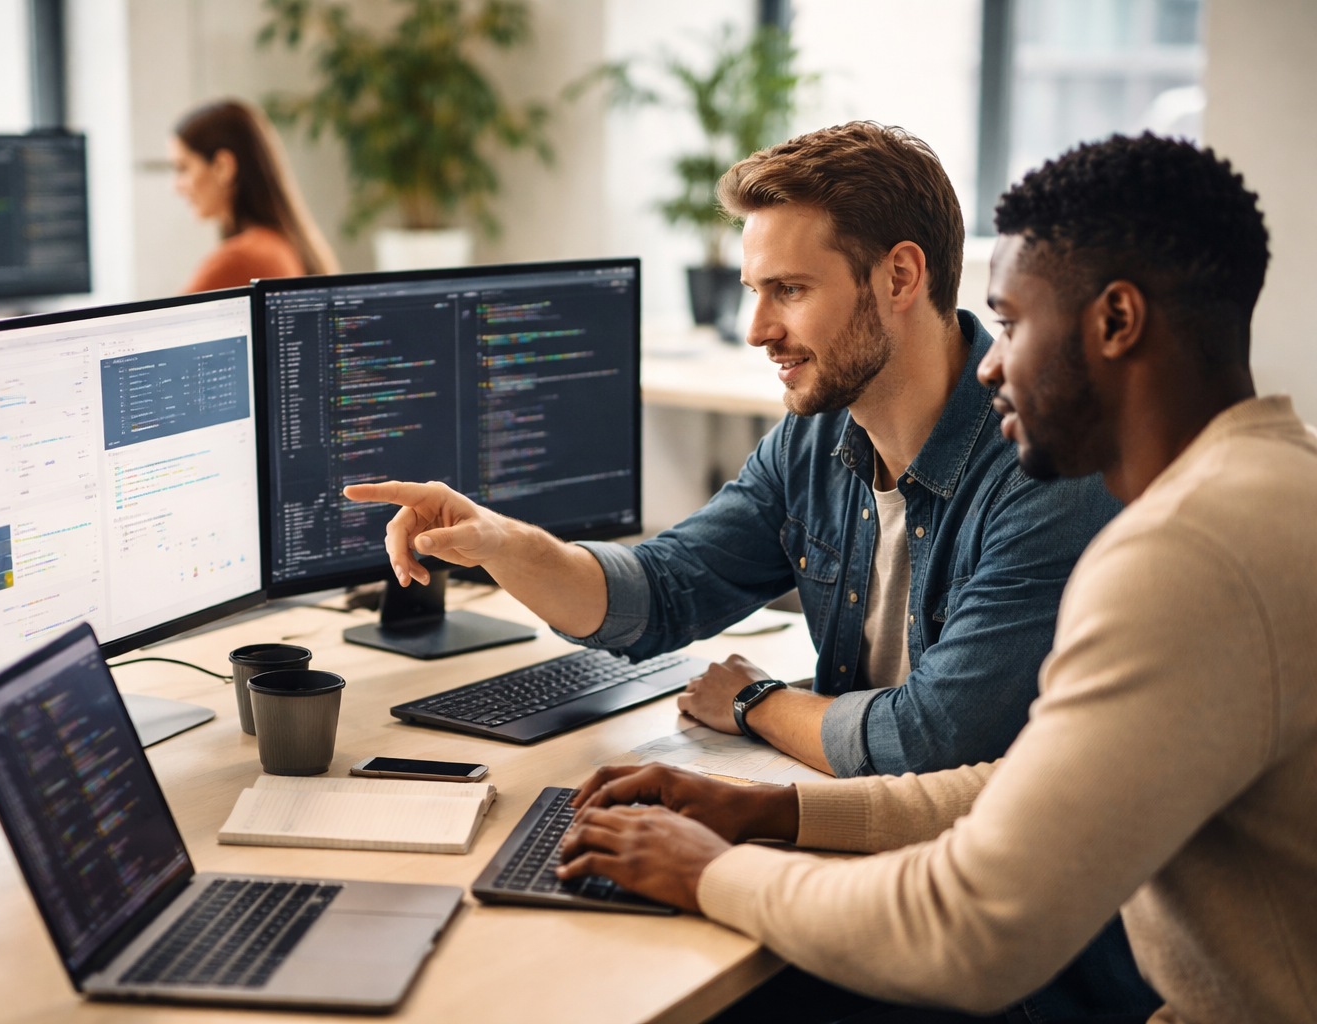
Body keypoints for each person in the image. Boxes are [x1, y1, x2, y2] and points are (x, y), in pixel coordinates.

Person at [348, 123, 1154, 1017]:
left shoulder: (1043, 467)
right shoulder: (815, 435)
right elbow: (667, 589)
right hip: (866, 857)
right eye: (753, 291)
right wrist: (504, 542)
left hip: (1020, 965)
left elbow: (934, 743)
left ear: (899, 276)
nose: (758, 328)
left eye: (789, 290)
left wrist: (755, 702)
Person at [556, 133, 1316, 1024]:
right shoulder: (1268, 489)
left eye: (1014, 322)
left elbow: (970, 930)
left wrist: (707, 868)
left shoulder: (1186, 552)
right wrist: (765, 814)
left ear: (1115, 322)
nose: (991, 364)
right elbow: (1026, 787)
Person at [171, 98, 338, 292]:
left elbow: (164, 322)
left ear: (222, 167)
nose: (175, 186)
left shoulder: (242, 259)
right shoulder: (279, 246)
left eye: (183, 168)